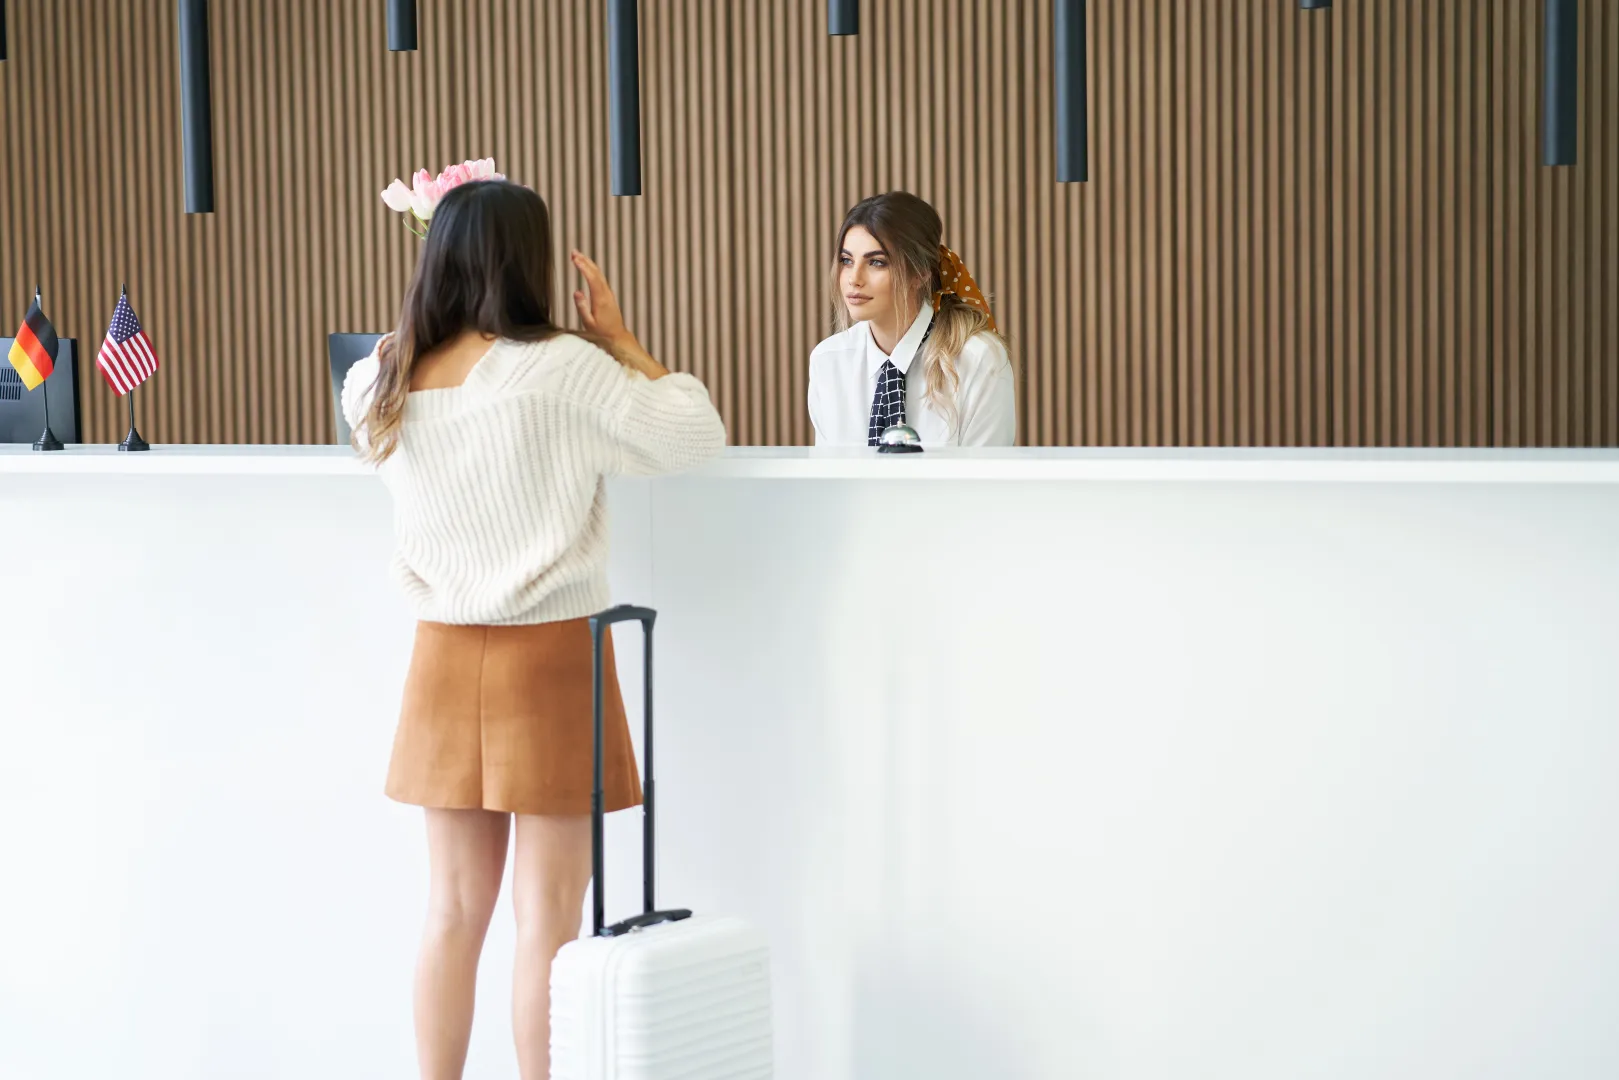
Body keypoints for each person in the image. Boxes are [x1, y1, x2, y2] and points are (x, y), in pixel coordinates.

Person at [341, 179, 725, 1080]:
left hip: (439, 661)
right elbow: (693, 436)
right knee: (545, 919)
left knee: (450, 911)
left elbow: (366, 374)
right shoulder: (562, 368)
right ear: (535, 261)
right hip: (550, 662)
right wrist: (622, 341)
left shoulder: (384, 380)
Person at [807, 191, 1016, 447]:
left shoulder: (977, 359)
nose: (854, 278)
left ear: (920, 274)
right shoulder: (828, 361)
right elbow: (829, 480)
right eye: (847, 260)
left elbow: (986, 482)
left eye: (877, 262)